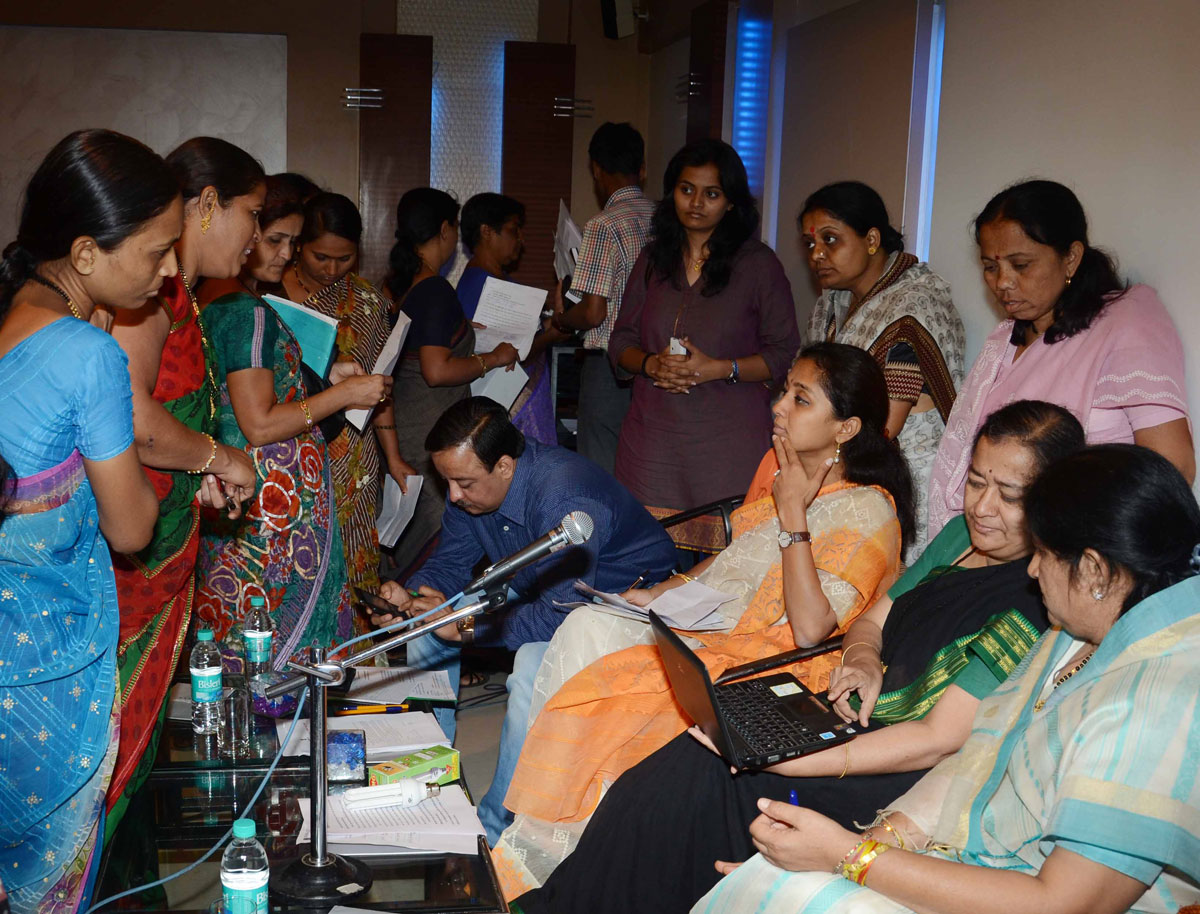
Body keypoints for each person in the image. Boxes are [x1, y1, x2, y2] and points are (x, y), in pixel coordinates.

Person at [507, 399, 1083, 911]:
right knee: (670, 765)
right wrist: (860, 659)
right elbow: (874, 623)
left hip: (890, 767)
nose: (983, 507)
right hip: (843, 720)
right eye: (977, 482)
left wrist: (790, 761)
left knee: (705, 782)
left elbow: (939, 737)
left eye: (1008, 495)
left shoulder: (1038, 594)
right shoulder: (959, 537)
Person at [693, 443, 1200, 914]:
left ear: (1092, 570)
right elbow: (979, 757)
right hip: (975, 861)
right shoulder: (1086, 632)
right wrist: (861, 850)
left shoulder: (1152, 704)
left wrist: (847, 859)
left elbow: (1063, 904)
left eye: (1043, 554)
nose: (1031, 571)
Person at [495, 342, 910, 892]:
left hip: (770, 663)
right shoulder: (787, 483)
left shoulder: (866, 507)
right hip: (711, 628)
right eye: (785, 391)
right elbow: (728, 570)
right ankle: (555, 829)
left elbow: (811, 628)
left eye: (800, 399)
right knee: (558, 644)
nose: (778, 407)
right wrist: (661, 593)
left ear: (846, 428)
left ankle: (556, 840)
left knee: (584, 639)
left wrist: (793, 515)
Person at [0, 129, 175, 913]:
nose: (170, 271)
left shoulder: (16, 322)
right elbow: (132, 528)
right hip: (44, 672)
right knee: (48, 888)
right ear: (85, 251)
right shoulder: (87, 354)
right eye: (157, 251)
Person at [370, 396, 677, 841]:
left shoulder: (565, 500)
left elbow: (557, 619)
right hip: (541, 579)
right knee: (426, 633)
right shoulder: (471, 491)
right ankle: (428, 777)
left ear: (506, 467)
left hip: (620, 598)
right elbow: (452, 562)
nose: (453, 496)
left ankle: (497, 832)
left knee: (532, 672)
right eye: (447, 482)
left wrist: (470, 628)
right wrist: (417, 593)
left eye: (463, 483)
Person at [108, 136, 260, 836]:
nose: (256, 239)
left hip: (162, 549)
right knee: (110, 749)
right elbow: (131, 416)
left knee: (133, 757)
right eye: (252, 215)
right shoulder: (156, 296)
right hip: (127, 561)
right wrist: (216, 457)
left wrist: (194, 478)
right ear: (206, 204)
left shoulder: (184, 300)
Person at [928, 179, 1194, 538]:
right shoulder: (1004, 339)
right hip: (984, 544)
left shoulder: (1128, 322)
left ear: (1070, 257)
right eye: (991, 267)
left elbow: (1172, 467)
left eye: (1021, 265)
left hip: (1078, 545)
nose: (1003, 282)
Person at [196, 176, 392, 650]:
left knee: (235, 628)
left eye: (292, 242)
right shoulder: (248, 311)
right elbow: (260, 422)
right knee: (279, 644)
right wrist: (345, 396)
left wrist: (320, 379)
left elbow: (244, 390)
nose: (285, 255)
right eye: (273, 239)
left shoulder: (211, 299)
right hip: (275, 502)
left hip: (242, 490)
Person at [609, 138, 800, 526]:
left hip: (725, 444)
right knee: (647, 560)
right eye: (686, 190)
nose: (696, 203)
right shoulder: (652, 259)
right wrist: (651, 365)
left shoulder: (759, 265)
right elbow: (620, 343)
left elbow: (784, 353)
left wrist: (720, 368)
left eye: (711, 193)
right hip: (652, 445)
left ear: (731, 202)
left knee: (723, 572)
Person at [801, 182, 964, 556]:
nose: (817, 255)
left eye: (831, 240)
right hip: (845, 467)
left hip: (906, 482)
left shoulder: (913, 305)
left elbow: (887, 424)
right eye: (811, 244)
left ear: (872, 239)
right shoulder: (832, 303)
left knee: (891, 601)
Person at [277, 192, 410, 601]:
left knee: (352, 565)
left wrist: (393, 457)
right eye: (320, 257)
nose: (332, 270)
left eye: (345, 259)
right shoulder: (266, 296)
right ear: (299, 245)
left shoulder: (368, 303)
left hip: (354, 455)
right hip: (284, 445)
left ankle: (355, 659)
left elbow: (381, 388)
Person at [383, 189, 519, 575]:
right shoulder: (435, 289)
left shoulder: (403, 285)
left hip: (406, 430)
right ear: (445, 229)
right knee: (439, 553)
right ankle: (431, 627)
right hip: (428, 430)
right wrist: (492, 358)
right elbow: (436, 370)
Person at [548, 122, 657, 474]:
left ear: (596, 170)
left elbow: (594, 313)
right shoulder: (664, 220)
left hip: (609, 366)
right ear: (642, 168)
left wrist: (563, 318)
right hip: (655, 362)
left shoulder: (603, 225)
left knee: (601, 468)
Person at [457, 192, 558, 446]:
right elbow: (511, 355)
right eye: (514, 230)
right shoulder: (479, 285)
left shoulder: (499, 281)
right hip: (509, 410)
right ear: (487, 232)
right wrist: (555, 333)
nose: (521, 239)